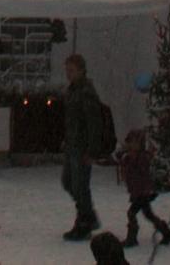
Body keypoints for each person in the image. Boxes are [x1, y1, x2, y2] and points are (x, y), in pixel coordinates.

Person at [61, 52, 103, 241]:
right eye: (67, 70)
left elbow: (93, 123)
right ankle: (87, 215)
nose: (68, 74)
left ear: (81, 71)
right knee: (70, 182)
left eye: (71, 70)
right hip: (72, 144)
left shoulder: (86, 92)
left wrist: (92, 150)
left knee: (80, 185)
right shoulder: (73, 90)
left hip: (82, 147)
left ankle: (84, 221)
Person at [117, 128, 170, 249]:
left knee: (131, 213)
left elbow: (143, 173)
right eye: (130, 142)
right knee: (148, 214)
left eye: (134, 142)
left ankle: (132, 237)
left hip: (142, 192)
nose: (131, 145)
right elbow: (126, 169)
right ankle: (166, 232)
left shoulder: (142, 158)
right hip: (137, 192)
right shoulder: (129, 157)